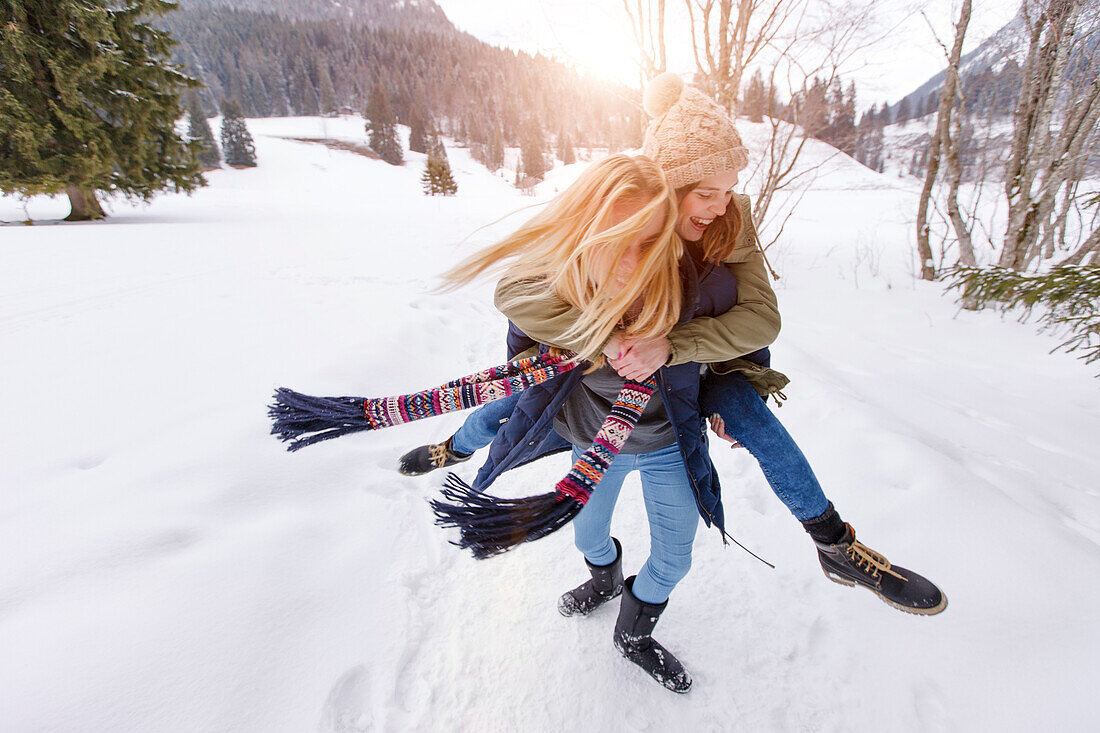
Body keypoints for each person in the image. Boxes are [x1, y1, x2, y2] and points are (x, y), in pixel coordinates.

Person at [409, 73, 947, 622]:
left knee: (751, 427)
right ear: (664, 190)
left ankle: (832, 545)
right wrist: (604, 337)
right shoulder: (621, 225)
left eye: (730, 190)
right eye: (706, 192)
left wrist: (673, 345)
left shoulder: (729, 223)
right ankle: (455, 451)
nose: (720, 206)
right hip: (595, 412)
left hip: (686, 388)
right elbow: (518, 288)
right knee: (510, 406)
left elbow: (762, 317)